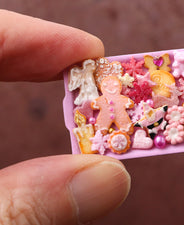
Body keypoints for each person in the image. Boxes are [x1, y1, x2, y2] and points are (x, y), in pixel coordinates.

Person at [0, 9, 131, 224]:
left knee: (122, 123)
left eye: (112, 83)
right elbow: (96, 102)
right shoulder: (96, 93)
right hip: (103, 117)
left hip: (121, 117)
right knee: (103, 124)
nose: (110, 86)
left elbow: (127, 103)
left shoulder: (120, 97)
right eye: (108, 84)